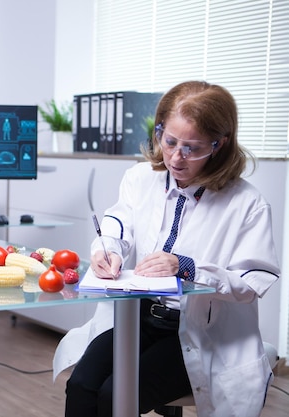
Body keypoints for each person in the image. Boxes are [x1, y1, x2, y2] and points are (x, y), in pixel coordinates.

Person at [64, 81, 280, 417]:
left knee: (114, 396)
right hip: (137, 319)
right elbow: (118, 221)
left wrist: (187, 266)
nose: (177, 158)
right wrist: (108, 249)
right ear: (159, 131)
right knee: (81, 386)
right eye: (170, 142)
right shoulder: (141, 178)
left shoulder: (247, 204)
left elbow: (252, 281)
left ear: (218, 145)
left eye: (193, 148)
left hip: (198, 332)